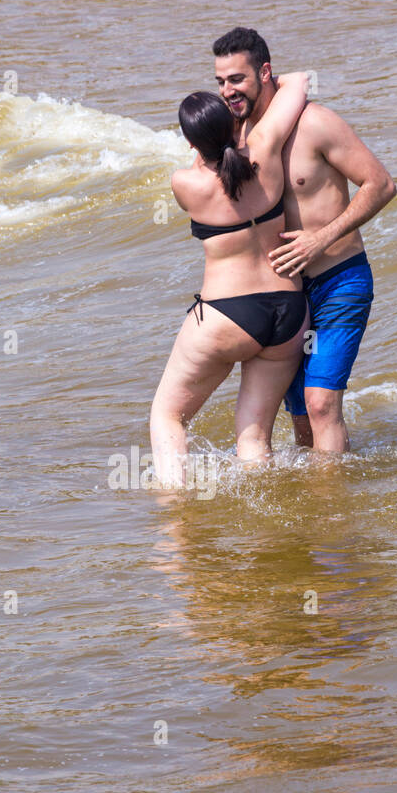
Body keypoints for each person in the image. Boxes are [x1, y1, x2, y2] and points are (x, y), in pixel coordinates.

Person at [212, 27, 396, 453]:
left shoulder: (316, 123)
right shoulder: (237, 138)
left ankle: (334, 514)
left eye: (236, 79)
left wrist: (322, 237)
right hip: (286, 294)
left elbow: (380, 184)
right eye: (220, 81)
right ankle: (322, 508)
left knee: (320, 404)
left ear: (265, 72)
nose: (227, 91)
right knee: (299, 417)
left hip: (338, 280)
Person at [150, 74, 310, 489]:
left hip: (227, 314)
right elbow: (299, 83)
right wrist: (253, 96)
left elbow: (206, 168)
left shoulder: (185, 182)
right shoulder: (267, 148)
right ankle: (264, 525)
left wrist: (206, 146)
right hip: (289, 312)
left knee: (168, 416)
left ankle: (176, 524)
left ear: (190, 143)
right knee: (254, 435)